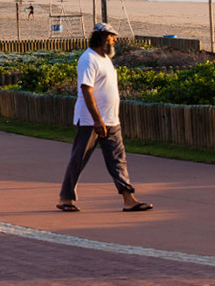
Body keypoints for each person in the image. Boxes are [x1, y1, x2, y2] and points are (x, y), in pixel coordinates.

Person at [58, 23, 153, 213]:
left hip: (111, 120)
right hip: (90, 121)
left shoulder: (106, 59)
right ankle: (66, 198)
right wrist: (97, 120)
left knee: (118, 160)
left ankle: (128, 199)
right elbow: (86, 90)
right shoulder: (88, 59)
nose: (115, 39)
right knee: (79, 159)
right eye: (111, 36)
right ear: (102, 37)